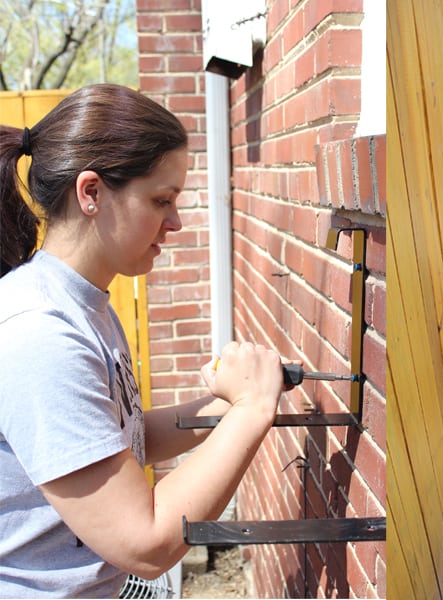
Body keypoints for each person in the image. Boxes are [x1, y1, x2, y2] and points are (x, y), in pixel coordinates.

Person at [0, 84, 286, 597]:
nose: (175, 221)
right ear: (90, 193)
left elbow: (120, 440)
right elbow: (146, 544)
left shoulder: (84, 304)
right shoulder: (40, 334)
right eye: (161, 200)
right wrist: (250, 410)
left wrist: (221, 409)